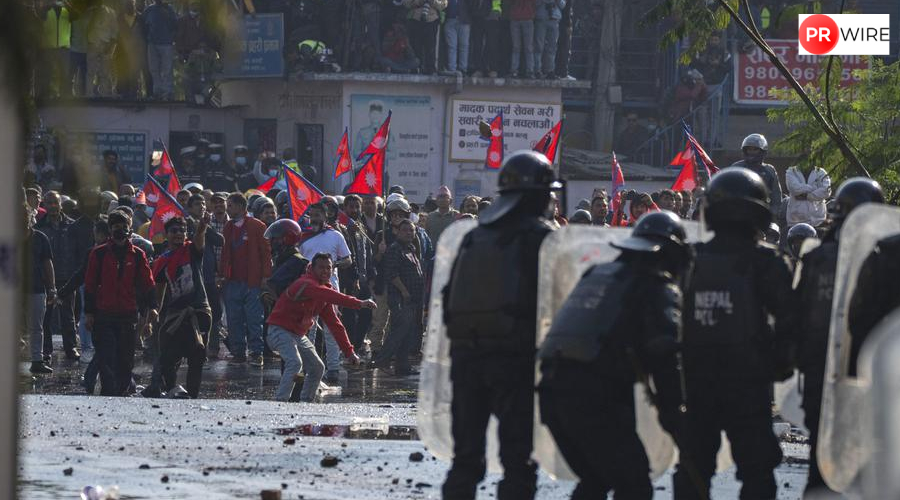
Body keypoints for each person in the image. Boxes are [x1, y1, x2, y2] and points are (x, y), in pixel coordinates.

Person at [538, 211, 688, 498]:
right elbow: (665, 355)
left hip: (552, 391)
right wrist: (674, 412)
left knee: (596, 479)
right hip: (594, 397)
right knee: (634, 485)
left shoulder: (598, 274)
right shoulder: (655, 286)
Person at [674, 167, 798, 500]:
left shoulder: (690, 258)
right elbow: (791, 322)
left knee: (693, 468)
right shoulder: (766, 262)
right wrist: (777, 366)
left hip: (698, 381)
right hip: (748, 381)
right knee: (757, 471)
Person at [441, 150, 557, 500]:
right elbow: (558, 301)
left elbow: (449, 299)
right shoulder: (540, 237)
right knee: (518, 462)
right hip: (514, 360)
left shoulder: (474, 236)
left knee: (465, 460)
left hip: (466, 358)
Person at [794, 178, 882, 498]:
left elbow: (797, 315)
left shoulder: (817, 258)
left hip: (821, 372)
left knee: (821, 459)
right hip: (866, 375)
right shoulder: (887, 258)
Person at [267, 253, 372, 402]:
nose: (325, 271)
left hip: (297, 335)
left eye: (328, 268)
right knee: (295, 363)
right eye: (321, 267)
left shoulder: (323, 293)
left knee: (317, 368)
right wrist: (359, 303)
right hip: (279, 330)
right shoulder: (307, 283)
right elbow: (333, 296)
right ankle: (280, 402)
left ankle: (306, 401)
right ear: (313, 268)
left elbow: (335, 325)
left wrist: (350, 353)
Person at [84, 210, 158, 396]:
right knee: (106, 356)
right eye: (117, 226)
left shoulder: (138, 255)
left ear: (130, 228)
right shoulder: (99, 254)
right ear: (110, 229)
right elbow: (90, 285)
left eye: (124, 226)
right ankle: (108, 394)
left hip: (128, 313)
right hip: (103, 314)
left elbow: (148, 283)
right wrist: (89, 313)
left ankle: (123, 392)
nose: (121, 230)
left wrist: (152, 307)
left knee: (126, 360)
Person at [152, 213, 211, 398]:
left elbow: (199, 237)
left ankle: (192, 397)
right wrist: (154, 314)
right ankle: (172, 390)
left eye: (182, 230)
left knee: (197, 357)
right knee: (168, 356)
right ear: (166, 234)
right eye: (174, 231)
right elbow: (159, 292)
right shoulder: (162, 262)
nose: (179, 234)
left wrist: (202, 225)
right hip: (176, 314)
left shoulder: (192, 250)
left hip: (198, 311)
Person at [299, 202, 353, 383]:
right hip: (308, 288)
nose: (314, 219)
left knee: (332, 328)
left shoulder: (335, 235)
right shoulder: (303, 237)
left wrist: (333, 265)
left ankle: (333, 368)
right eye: (312, 215)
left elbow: (348, 259)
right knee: (309, 328)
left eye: (318, 215)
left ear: (326, 216)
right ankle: (309, 367)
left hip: (330, 287)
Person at [219, 193, 271, 366]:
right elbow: (224, 253)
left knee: (254, 318)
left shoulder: (257, 225)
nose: (227, 209)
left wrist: (265, 277)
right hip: (232, 280)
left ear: (241, 206)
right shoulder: (228, 226)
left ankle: (256, 353)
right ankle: (238, 352)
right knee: (234, 319)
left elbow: (266, 254)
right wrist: (222, 274)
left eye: (230, 205)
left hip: (252, 281)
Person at [371, 219, 425, 375]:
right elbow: (392, 274)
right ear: (398, 232)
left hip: (413, 297)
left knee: (407, 333)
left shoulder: (411, 248)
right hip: (401, 298)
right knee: (398, 332)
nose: (409, 233)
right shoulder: (395, 249)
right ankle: (382, 362)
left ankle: (403, 366)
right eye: (405, 230)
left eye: (411, 230)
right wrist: (404, 291)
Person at [34, 191, 80, 361]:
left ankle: (71, 347)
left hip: (67, 276)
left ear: (61, 204)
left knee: (68, 315)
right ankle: (46, 349)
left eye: (56, 202)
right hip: (45, 277)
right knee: (46, 317)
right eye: (49, 203)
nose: (53, 206)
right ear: (44, 205)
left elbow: (78, 251)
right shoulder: (38, 227)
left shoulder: (72, 225)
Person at [339, 195, 376, 352]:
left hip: (364, 278)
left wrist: (371, 275)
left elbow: (367, 253)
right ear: (345, 208)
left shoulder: (362, 227)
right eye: (351, 207)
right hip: (348, 280)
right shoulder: (341, 228)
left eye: (357, 207)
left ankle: (358, 344)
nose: (354, 210)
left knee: (367, 313)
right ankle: (349, 348)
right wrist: (348, 230)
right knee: (349, 316)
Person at [24, 204, 56, 374]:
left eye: (25, 217)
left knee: (36, 327)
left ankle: (37, 360)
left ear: (31, 218)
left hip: (36, 288)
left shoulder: (40, 238)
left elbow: (47, 264)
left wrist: (52, 288)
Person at [729, 134, 783, 217]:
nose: (751, 152)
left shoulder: (769, 170)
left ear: (763, 151)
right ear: (745, 150)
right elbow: (728, 191)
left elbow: (776, 196)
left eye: (755, 149)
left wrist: (772, 214)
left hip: (762, 213)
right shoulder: (736, 167)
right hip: (740, 212)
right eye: (749, 149)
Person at [142, 0, 178, 100]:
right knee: (153, 69)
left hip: (166, 44)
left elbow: (175, 24)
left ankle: (168, 93)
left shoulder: (170, 9)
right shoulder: (149, 9)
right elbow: (143, 24)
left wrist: (166, 14)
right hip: (152, 44)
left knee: (167, 70)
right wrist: (147, 38)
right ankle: (157, 92)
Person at [402, 0, 446, 75]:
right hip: (416, 20)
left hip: (432, 21)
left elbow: (443, 4)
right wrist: (419, 2)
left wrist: (432, 2)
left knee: (431, 46)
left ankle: (430, 69)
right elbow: (406, 3)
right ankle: (416, 68)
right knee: (416, 46)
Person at [469, 0, 501, 77]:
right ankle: (478, 69)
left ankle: (492, 68)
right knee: (477, 43)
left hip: (492, 14)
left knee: (492, 43)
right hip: (477, 14)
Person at [533, 0, 565, 79]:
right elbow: (534, 4)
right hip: (541, 19)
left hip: (554, 19)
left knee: (552, 47)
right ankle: (537, 70)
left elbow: (563, 5)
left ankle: (550, 71)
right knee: (538, 46)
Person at [505, 0, 535, 78]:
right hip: (515, 18)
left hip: (528, 18)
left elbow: (536, 3)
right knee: (516, 47)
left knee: (528, 47)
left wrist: (531, 12)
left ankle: (530, 71)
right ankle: (514, 71)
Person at [441, 0, 471, 76]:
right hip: (449, 19)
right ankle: (452, 69)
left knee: (464, 45)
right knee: (451, 45)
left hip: (464, 20)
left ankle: (463, 69)